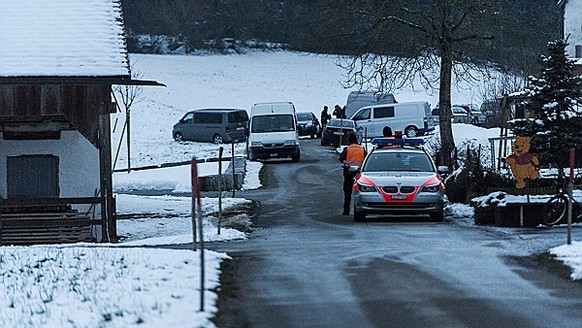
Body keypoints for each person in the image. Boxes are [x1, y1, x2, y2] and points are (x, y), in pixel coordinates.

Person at [339, 133, 367, 215]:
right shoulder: (362, 149)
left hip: (348, 172)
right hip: (360, 174)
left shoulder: (347, 149)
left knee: (347, 192)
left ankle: (346, 210)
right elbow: (366, 159)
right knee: (360, 191)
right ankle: (361, 208)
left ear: (349, 141)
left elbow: (341, 158)